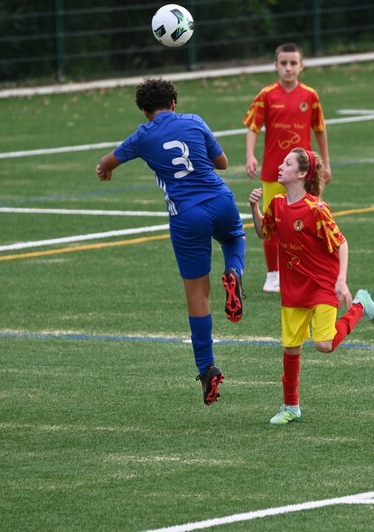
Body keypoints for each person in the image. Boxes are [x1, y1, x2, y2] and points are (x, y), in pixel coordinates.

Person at [95, 78, 246, 406]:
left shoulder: (142, 136)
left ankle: (206, 368)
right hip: (220, 199)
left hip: (187, 215)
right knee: (234, 237)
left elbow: (107, 162)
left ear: (144, 111)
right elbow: (222, 163)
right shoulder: (194, 121)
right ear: (174, 103)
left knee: (197, 294)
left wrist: (106, 169)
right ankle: (234, 272)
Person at [248, 148, 374, 425]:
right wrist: (254, 208)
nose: (280, 166)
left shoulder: (316, 209)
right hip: (293, 287)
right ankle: (291, 407)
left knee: (324, 344)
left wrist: (341, 280)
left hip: (322, 283)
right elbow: (264, 232)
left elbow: (341, 243)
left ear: (301, 173)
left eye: (287, 163)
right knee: (291, 347)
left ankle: (360, 305)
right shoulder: (277, 203)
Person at [243, 42, 331, 293]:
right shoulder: (267, 95)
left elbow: (320, 129)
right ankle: (273, 274)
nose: (288, 68)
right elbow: (253, 128)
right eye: (283, 63)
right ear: (276, 66)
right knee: (272, 222)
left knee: (309, 220)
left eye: (293, 63)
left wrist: (326, 163)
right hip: (274, 172)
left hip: (305, 173)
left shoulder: (310, 96)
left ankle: (307, 268)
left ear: (301, 66)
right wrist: (250, 155)